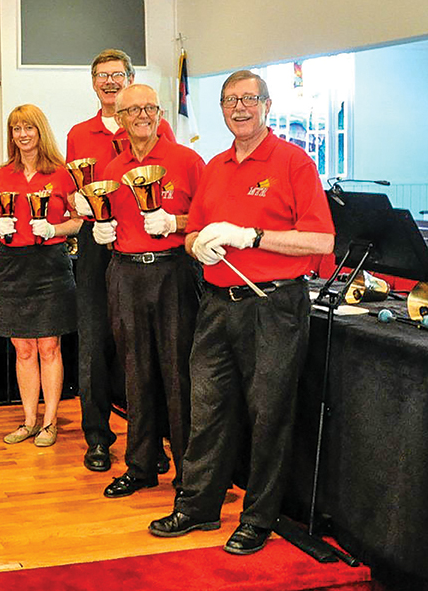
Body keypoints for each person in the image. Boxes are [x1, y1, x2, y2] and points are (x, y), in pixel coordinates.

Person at [148, 70, 334, 556]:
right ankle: (198, 507)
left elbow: (321, 240)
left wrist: (251, 237)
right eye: (230, 100)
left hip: (272, 307)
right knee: (206, 411)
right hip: (216, 306)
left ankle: (258, 518)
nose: (239, 107)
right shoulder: (215, 166)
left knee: (268, 415)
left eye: (249, 98)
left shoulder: (294, 162)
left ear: (267, 105)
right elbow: (193, 233)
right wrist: (198, 246)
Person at [65, 48, 176, 472]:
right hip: (98, 242)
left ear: (130, 78)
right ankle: (97, 436)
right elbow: (75, 192)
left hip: (144, 244)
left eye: (117, 75)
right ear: (93, 84)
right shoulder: (79, 133)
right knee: (93, 343)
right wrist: (80, 206)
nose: (109, 82)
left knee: (145, 347)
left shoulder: (156, 125)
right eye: (101, 76)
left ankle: (151, 439)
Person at [94, 85, 204, 498]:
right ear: (119, 119)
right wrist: (101, 233)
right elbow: (108, 227)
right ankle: (141, 465)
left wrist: (175, 224)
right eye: (133, 109)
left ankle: (188, 474)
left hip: (173, 272)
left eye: (150, 108)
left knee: (178, 373)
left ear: (159, 113)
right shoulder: (110, 169)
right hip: (124, 272)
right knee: (134, 372)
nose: (142, 115)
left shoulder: (187, 161)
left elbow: (208, 219)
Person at [0, 105, 81, 448]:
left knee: (49, 346)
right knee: (23, 348)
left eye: (28, 128)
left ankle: (50, 421)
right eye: (16, 129)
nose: (22, 135)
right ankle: (28, 420)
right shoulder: (1, 175)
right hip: (13, 264)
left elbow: (79, 220)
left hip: (49, 264)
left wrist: (54, 227)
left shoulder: (61, 172)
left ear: (40, 131)